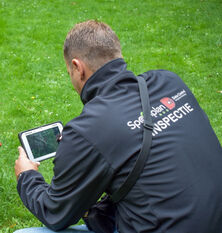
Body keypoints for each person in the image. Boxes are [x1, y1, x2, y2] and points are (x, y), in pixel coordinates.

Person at [14, 20, 222, 233]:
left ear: (77, 67)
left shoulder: (87, 131)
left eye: (69, 72)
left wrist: (26, 176)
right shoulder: (169, 81)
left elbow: (54, 212)